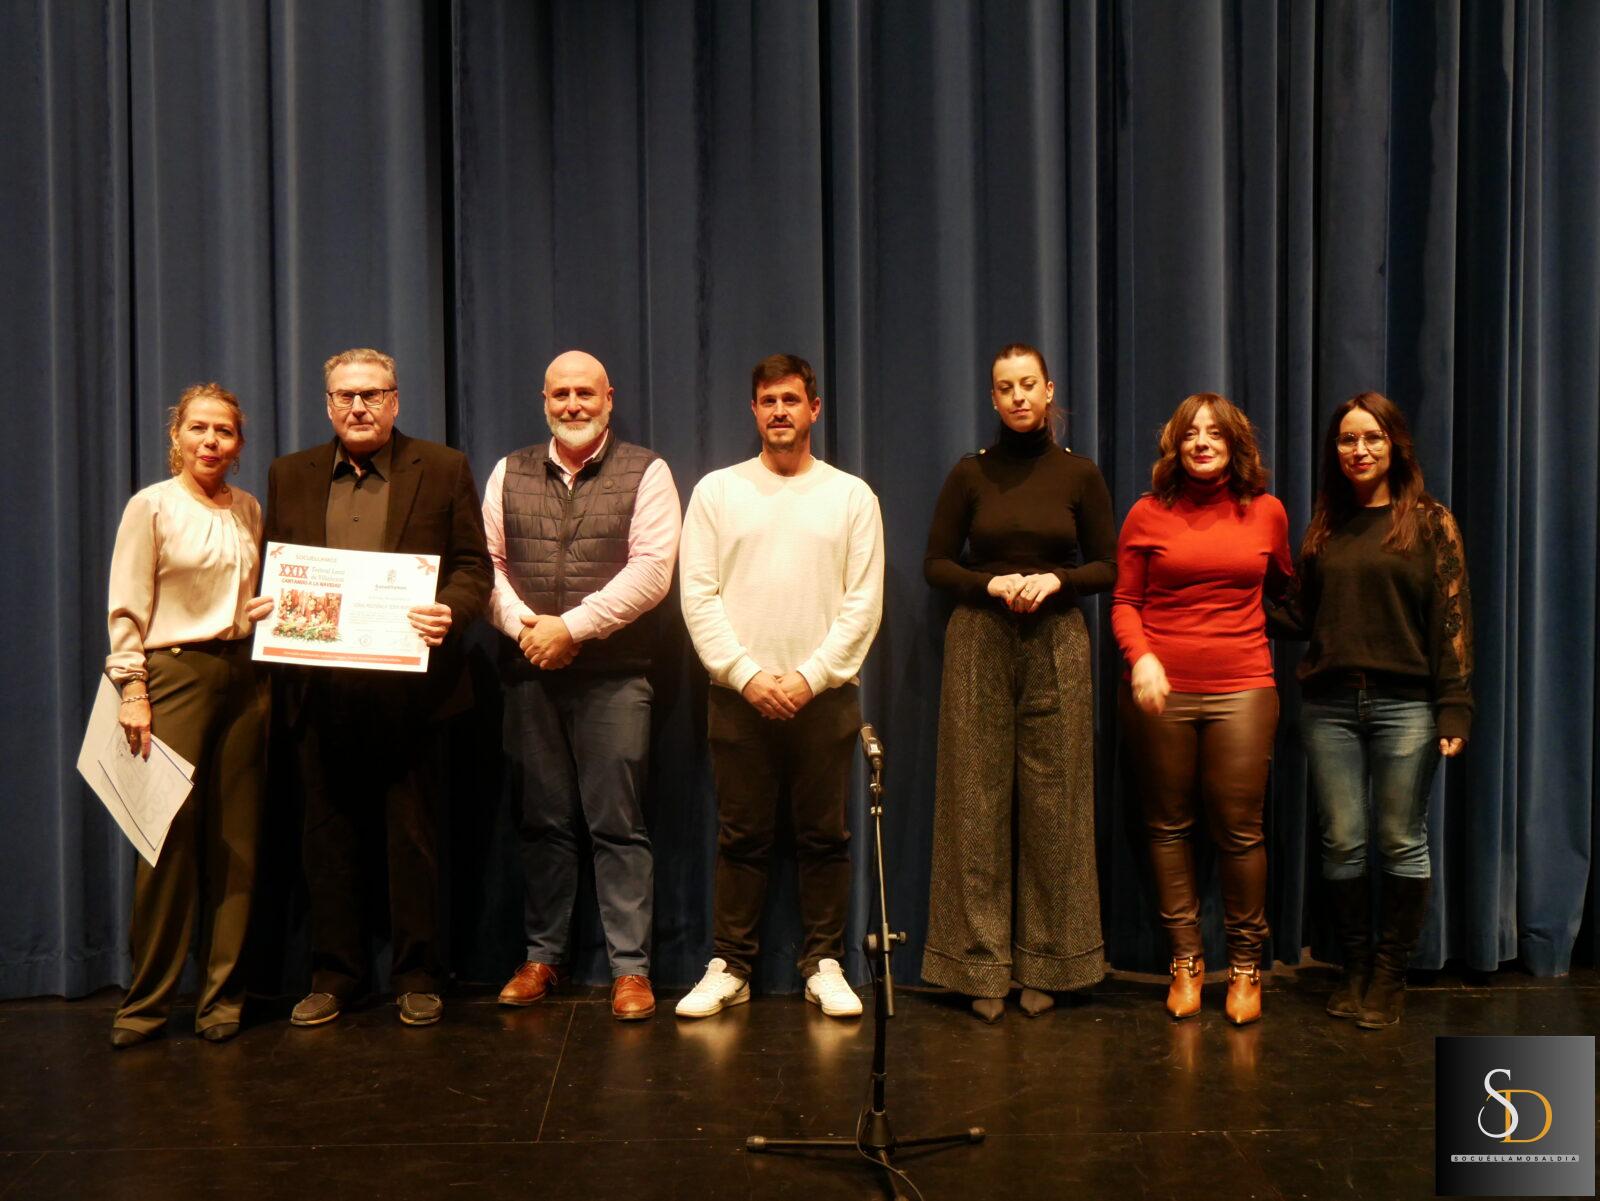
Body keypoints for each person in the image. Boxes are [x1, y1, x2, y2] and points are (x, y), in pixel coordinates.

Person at [265, 348, 491, 1028]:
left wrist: (450, 609)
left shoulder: (443, 467)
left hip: (412, 695)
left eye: (372, 394)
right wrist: (267, 605)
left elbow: (474, 567)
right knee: (326, 841)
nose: (359, 406)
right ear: (328, 404)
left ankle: (418, 974)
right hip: (320, 692)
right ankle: (336, 974)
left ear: (395, 400)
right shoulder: (290, 474)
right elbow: (275, 567)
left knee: (412, 841)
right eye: (346, 395)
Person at [676, 353, 884, 1020]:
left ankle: (824, 963)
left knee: (825, 838)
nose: (779, 412)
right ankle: (731, 967)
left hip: (824, 698)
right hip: (738, 696)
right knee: (741, 838)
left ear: (814, 409)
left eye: (791, 400)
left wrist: (807, 678)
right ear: (753, 409)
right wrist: (747, 675)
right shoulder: (716, 492)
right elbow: (697, 596)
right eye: (768, 401)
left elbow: (863, 605)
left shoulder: (852, 496)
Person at [482, 350, 681, 1021]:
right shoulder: (507, 471)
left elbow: (651, 571)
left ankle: (631, 969)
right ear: (544, 399)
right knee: (541, 822)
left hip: (615, 675)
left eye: (585, 393)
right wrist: (528, 629)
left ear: (609, 398)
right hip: (529, 671)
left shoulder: (648, 471)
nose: (573, 404)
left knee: (618, 824)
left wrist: (571, 628)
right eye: (560, 393)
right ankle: (543, 956)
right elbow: (486, 564)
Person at [920, 343, 1116, 1023]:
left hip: (1057, 638)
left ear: (1048, 390)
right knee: (974, 800)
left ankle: (1051, 963)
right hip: (980, 634)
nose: (1018, 397)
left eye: (1028, 384)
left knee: (1056, 806)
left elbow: (1109, 566)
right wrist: (989, 583)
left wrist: (1058, 579)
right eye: (1005, 387)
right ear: (994, 398)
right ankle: (978, 964)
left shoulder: (1079, 474)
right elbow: (936, 564)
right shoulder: (970, 473)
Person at [1282, 392, 1471, 1029]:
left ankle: (1390, 975)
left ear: (1395, 445)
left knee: (1399, 839)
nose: (1359, 450)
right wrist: (1223, 595)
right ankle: (1355, 968)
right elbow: (1300, 615)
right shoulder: (1326, 525)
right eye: (1347, 439)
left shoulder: (1430, 522)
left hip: (1407, 706)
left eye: (1372, 438)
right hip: (1329, 705)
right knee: (1343, 842)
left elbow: (1452, 620)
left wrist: (1455, 707)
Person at [1112, 393, 1291, 1026]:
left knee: (1240, 829)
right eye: (1191, 433)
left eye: (1215, 433)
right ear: (1176, 445)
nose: (1202, 443)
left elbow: (1284, 589)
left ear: (1235, 443)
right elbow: (1125, 602)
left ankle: (1244, 966)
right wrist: (1142, 658)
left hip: (1244, 684)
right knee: (1168, 826)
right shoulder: (1146, 513)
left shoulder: (1267, 512)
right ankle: (1186, 961)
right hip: (1162, 689)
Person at [105, 383, 273, 1048]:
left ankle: (222, 999)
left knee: (238, 842)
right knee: (166, 840)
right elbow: (128, 600)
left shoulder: (249, 508)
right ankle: (146, 1004)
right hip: (173, 673)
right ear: (176, 435)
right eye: (199, 428)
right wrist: (132, 686)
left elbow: (246, 593)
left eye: (224, 431)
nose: (211, 441)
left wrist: (264, 610)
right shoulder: (151, 505)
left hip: (245, 677)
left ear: (239, 443)